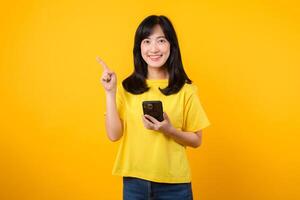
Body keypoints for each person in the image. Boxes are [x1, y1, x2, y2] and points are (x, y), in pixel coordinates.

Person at [97, 15, 210, 200]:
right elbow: (114, 135)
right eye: (147, 41)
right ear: (139, 47)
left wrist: (169, 130)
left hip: (175, 185)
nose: (154, 48)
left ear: (171, 46)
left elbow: (197, 140)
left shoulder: (186, 90)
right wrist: (109, 93)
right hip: (134, 183)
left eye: (161, 41)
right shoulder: (126, 88)